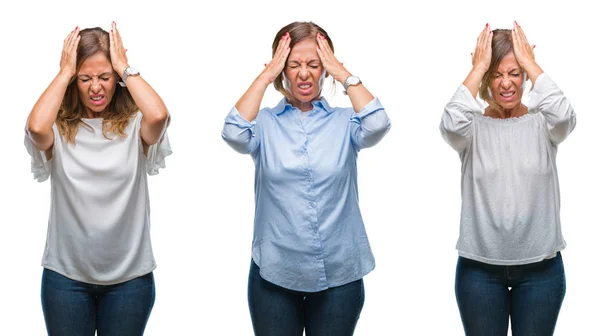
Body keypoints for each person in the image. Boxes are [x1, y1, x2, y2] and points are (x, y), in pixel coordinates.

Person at [222, 21, 391, 335]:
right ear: (281, 70)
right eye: (293, 65)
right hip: (273, 274)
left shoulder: (345, 122)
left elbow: (378, 123)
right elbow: (232, 132)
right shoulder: (264, 123)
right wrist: (264, 76)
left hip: (340, 276)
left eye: (314, 64)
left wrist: (342, 72)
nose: (304, 73)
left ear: (324, 69)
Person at [24, 22, 171, 336]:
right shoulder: (59, 129)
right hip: (65, 279)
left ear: (116, 79)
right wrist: (64, 72)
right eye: (85, 78)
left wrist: (124, 66)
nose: (96, 87)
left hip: (130, 281)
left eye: (105, 77)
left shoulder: (135, 127)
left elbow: (159, 116)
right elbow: (36, 129)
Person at [439, 21, 576, 335]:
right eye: (496, 74)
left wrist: (530, 62)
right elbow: (449, 123)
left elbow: (566, 116)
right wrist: (478, 67)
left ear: (525, 74)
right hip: (478, 271)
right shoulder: (470, 128)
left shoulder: (544, 123)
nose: (506, 84)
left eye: (514, 73)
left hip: (542, 270)